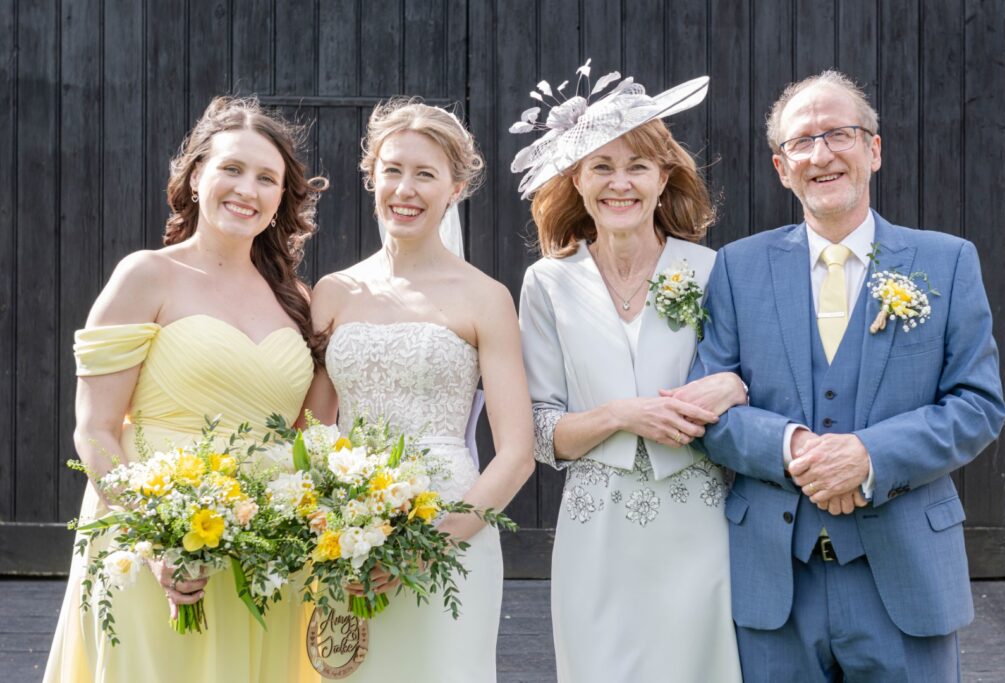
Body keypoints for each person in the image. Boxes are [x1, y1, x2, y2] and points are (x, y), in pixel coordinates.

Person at [689, 70, 1005, 681]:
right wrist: (794, 448)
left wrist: (868, 454)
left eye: (839, 134)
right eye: (801, 142)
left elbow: (976, 405)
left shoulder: (947, 261)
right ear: (781, 167)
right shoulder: (736, 268)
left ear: (874, 150)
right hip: (776, 580)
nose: (821, 154)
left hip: (905, 576)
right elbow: (713, 412)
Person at [44, 96, 326, 683]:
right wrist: (157, 543)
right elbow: (95, 428)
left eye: (266, 178)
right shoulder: (146, 275)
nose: (247, 188)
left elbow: (306, 432)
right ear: (196, 175)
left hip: (264, 555)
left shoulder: (295, 300)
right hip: (154, 542)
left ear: (281, 199)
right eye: (231, 168)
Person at [512, 64, 745, 682]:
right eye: (602, 167)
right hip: (598, 528)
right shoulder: (547, 283)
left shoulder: (709, 269)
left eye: (637, 166)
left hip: (698, 520)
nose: (621, 184)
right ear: (578, 181)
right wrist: (624, 413)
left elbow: (748, 379)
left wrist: (737, 385)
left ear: (663, 178)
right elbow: (541, 433)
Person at [302, 99, 535, 682]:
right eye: (393, 170)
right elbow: (311, 430)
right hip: (349, 537)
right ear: (372, 178)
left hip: (453, 530)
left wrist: (441, 538)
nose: (405, 189)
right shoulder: (333, 292)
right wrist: (331, 523)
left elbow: (517, 452)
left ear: (456, 187)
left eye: (425, 174)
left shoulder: (486, 297)